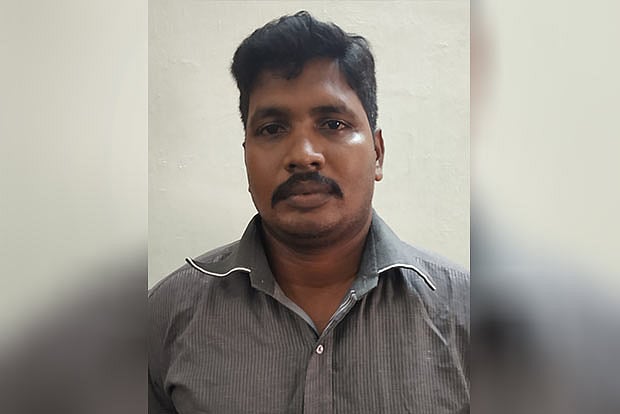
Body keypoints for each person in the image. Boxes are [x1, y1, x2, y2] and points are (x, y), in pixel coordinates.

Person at [149, 11, 469, 414]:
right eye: (272, 129)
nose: (303, 155)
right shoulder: (164, 317)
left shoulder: (468, 315)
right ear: (246, 157)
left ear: (377, 153)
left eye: (333, 124)